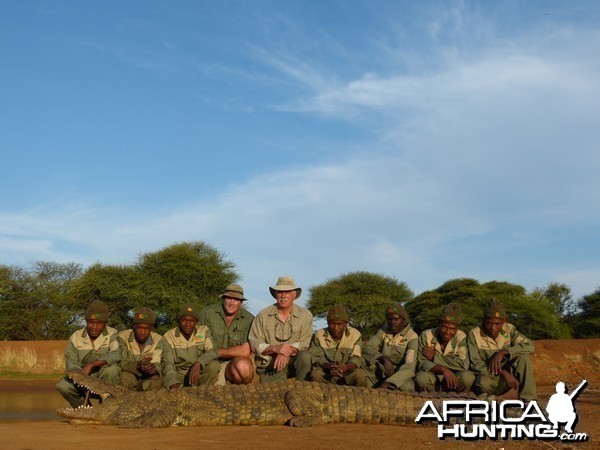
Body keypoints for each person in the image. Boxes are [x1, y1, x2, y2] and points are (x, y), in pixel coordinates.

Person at [468, 298, 537, 401]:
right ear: (483, 321)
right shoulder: (474, 334)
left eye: (497, 324)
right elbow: (475, 364)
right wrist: (503, 372)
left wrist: (505, 352)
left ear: (503, 322)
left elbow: (529, 346)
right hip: (488, 377)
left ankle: (529, 401)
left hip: (505, 381)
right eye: (489, 323)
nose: (493, 328)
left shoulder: (509, 330)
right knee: (482, 383)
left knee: (524, 358)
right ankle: (485, 398)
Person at [56, 300, 120, 407]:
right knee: (63, 386)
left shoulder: (112, 333)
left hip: (103, 377)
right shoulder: (76, 336)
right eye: (91, 322)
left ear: (105, 323)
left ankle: (108, 406)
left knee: (112, 370)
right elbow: (71, 365)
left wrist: (91, 365)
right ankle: (85, 408)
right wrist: (82, 378)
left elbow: (116, 354)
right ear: (86, 321)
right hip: (81, 376)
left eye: (99, 323)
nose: (94, 327)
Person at [248, 276, 312, 383]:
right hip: (270, 365)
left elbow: (304, 343)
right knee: (273, 396)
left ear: (294, 295)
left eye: (287, 292)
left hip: (292, 363)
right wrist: (275, 349)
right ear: (275, 295)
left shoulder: (306, 315)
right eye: (280, 292)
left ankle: (302, 387)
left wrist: (285, 352)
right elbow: (255, 343)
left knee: (305, 356)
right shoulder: (263, 315)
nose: (283, 295)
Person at [198, 284, 255, 385]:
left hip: (230, 364)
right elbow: (196, 341)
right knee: (212, 369)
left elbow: (245, 351)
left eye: (236, 299)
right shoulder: (207, 312)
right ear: (223, 298)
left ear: (241, 302)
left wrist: (216, 352)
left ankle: (238, 391)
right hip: (208, 361)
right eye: (229, 298)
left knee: (244, 367)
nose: (232, 303)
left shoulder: (249, 319)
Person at [414, 302, 474, 393]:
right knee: (421, 378)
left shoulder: (461, 337)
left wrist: (435, 357)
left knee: (467, 377)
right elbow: (421, 362)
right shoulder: (426, 335)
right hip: (432, 375)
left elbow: (463, 364)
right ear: (439, 324)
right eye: (444, 327)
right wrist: (443, 369)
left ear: (457, 328)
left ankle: (458, 399)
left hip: (454, 377)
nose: (447, 332)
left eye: (452, 329)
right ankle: (429, 398)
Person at [308, 304, 372, 387]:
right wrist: (331, 366)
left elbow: (356, 358)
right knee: (315, 374)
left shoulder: (355, 334)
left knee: (360, 375)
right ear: (327, 323)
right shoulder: (319, 335)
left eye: (339, 324)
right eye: (332, 323)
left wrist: (344, 368)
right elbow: (317, 357)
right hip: (327, 373)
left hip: (348, 373)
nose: (335, 327)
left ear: (346, 324)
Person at [162, 303, 221, 388]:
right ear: (179, 321)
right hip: (180, 375)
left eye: (192, 321)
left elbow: (213, 351)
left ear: (196, 322)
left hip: (199, 372)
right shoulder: (169, 336)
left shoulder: (203, 331)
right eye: (184, 320)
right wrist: (172, 382)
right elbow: (168, 363)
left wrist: (199, 362)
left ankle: (204, 392)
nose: (188, 324)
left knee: (214, 366)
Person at [363, 303, 418, 391]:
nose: (392, 322)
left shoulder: (412, 336)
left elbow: (409, 366)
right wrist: (383, 358)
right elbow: (368, 347)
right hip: (382, 369)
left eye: (396, 319)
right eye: (389, 319)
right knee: (362, 377)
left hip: (399, 374)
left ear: (403, 320)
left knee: (406, 387)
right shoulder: (384, 330)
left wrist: (389, 382)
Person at [118, 307, 167, 391]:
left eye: (146, 329)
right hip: (130, 374)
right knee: (125, 377)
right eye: (139, 328)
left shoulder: (158, 339)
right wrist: (138, 365)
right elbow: (121, 361)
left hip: (148, 377)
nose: (142, 332)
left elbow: (158, 363)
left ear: (151, 327)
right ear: (134, 326)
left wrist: (153, 369)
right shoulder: (123, 336)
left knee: (159, 380)